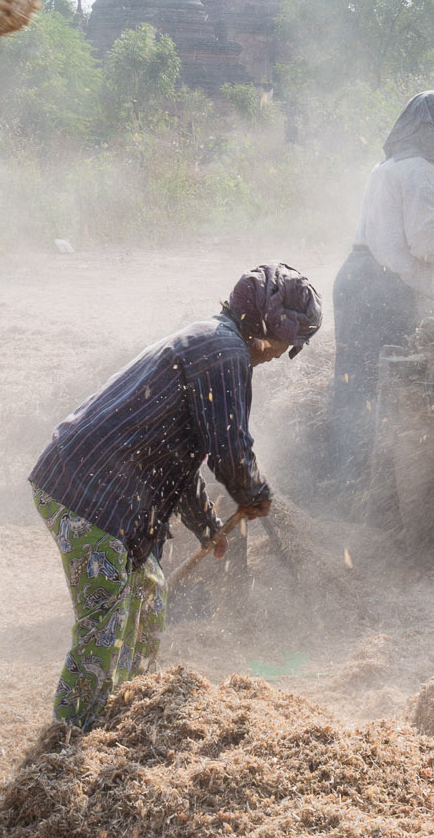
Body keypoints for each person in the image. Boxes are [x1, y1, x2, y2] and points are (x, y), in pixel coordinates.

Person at [28, 265, 321, 730]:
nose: (280, 356)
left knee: (149, 594)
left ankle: (122, 712)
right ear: (268, 333)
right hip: (87, 490)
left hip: (103, 488)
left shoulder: (210, 341)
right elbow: (228, 446)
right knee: (105, 618)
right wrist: (252, 491)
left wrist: (205, 524)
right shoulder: (226, 353)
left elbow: (179, 461)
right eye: (286, 346)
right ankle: (70, 739)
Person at [330, 91, 434, 493]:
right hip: (380, 290)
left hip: (356, 277)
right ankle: (368, 487)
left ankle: (342, 479)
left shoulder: (385, 166)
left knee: (351, 383)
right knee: (383, 385)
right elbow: (429, 245)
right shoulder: (419, 171)